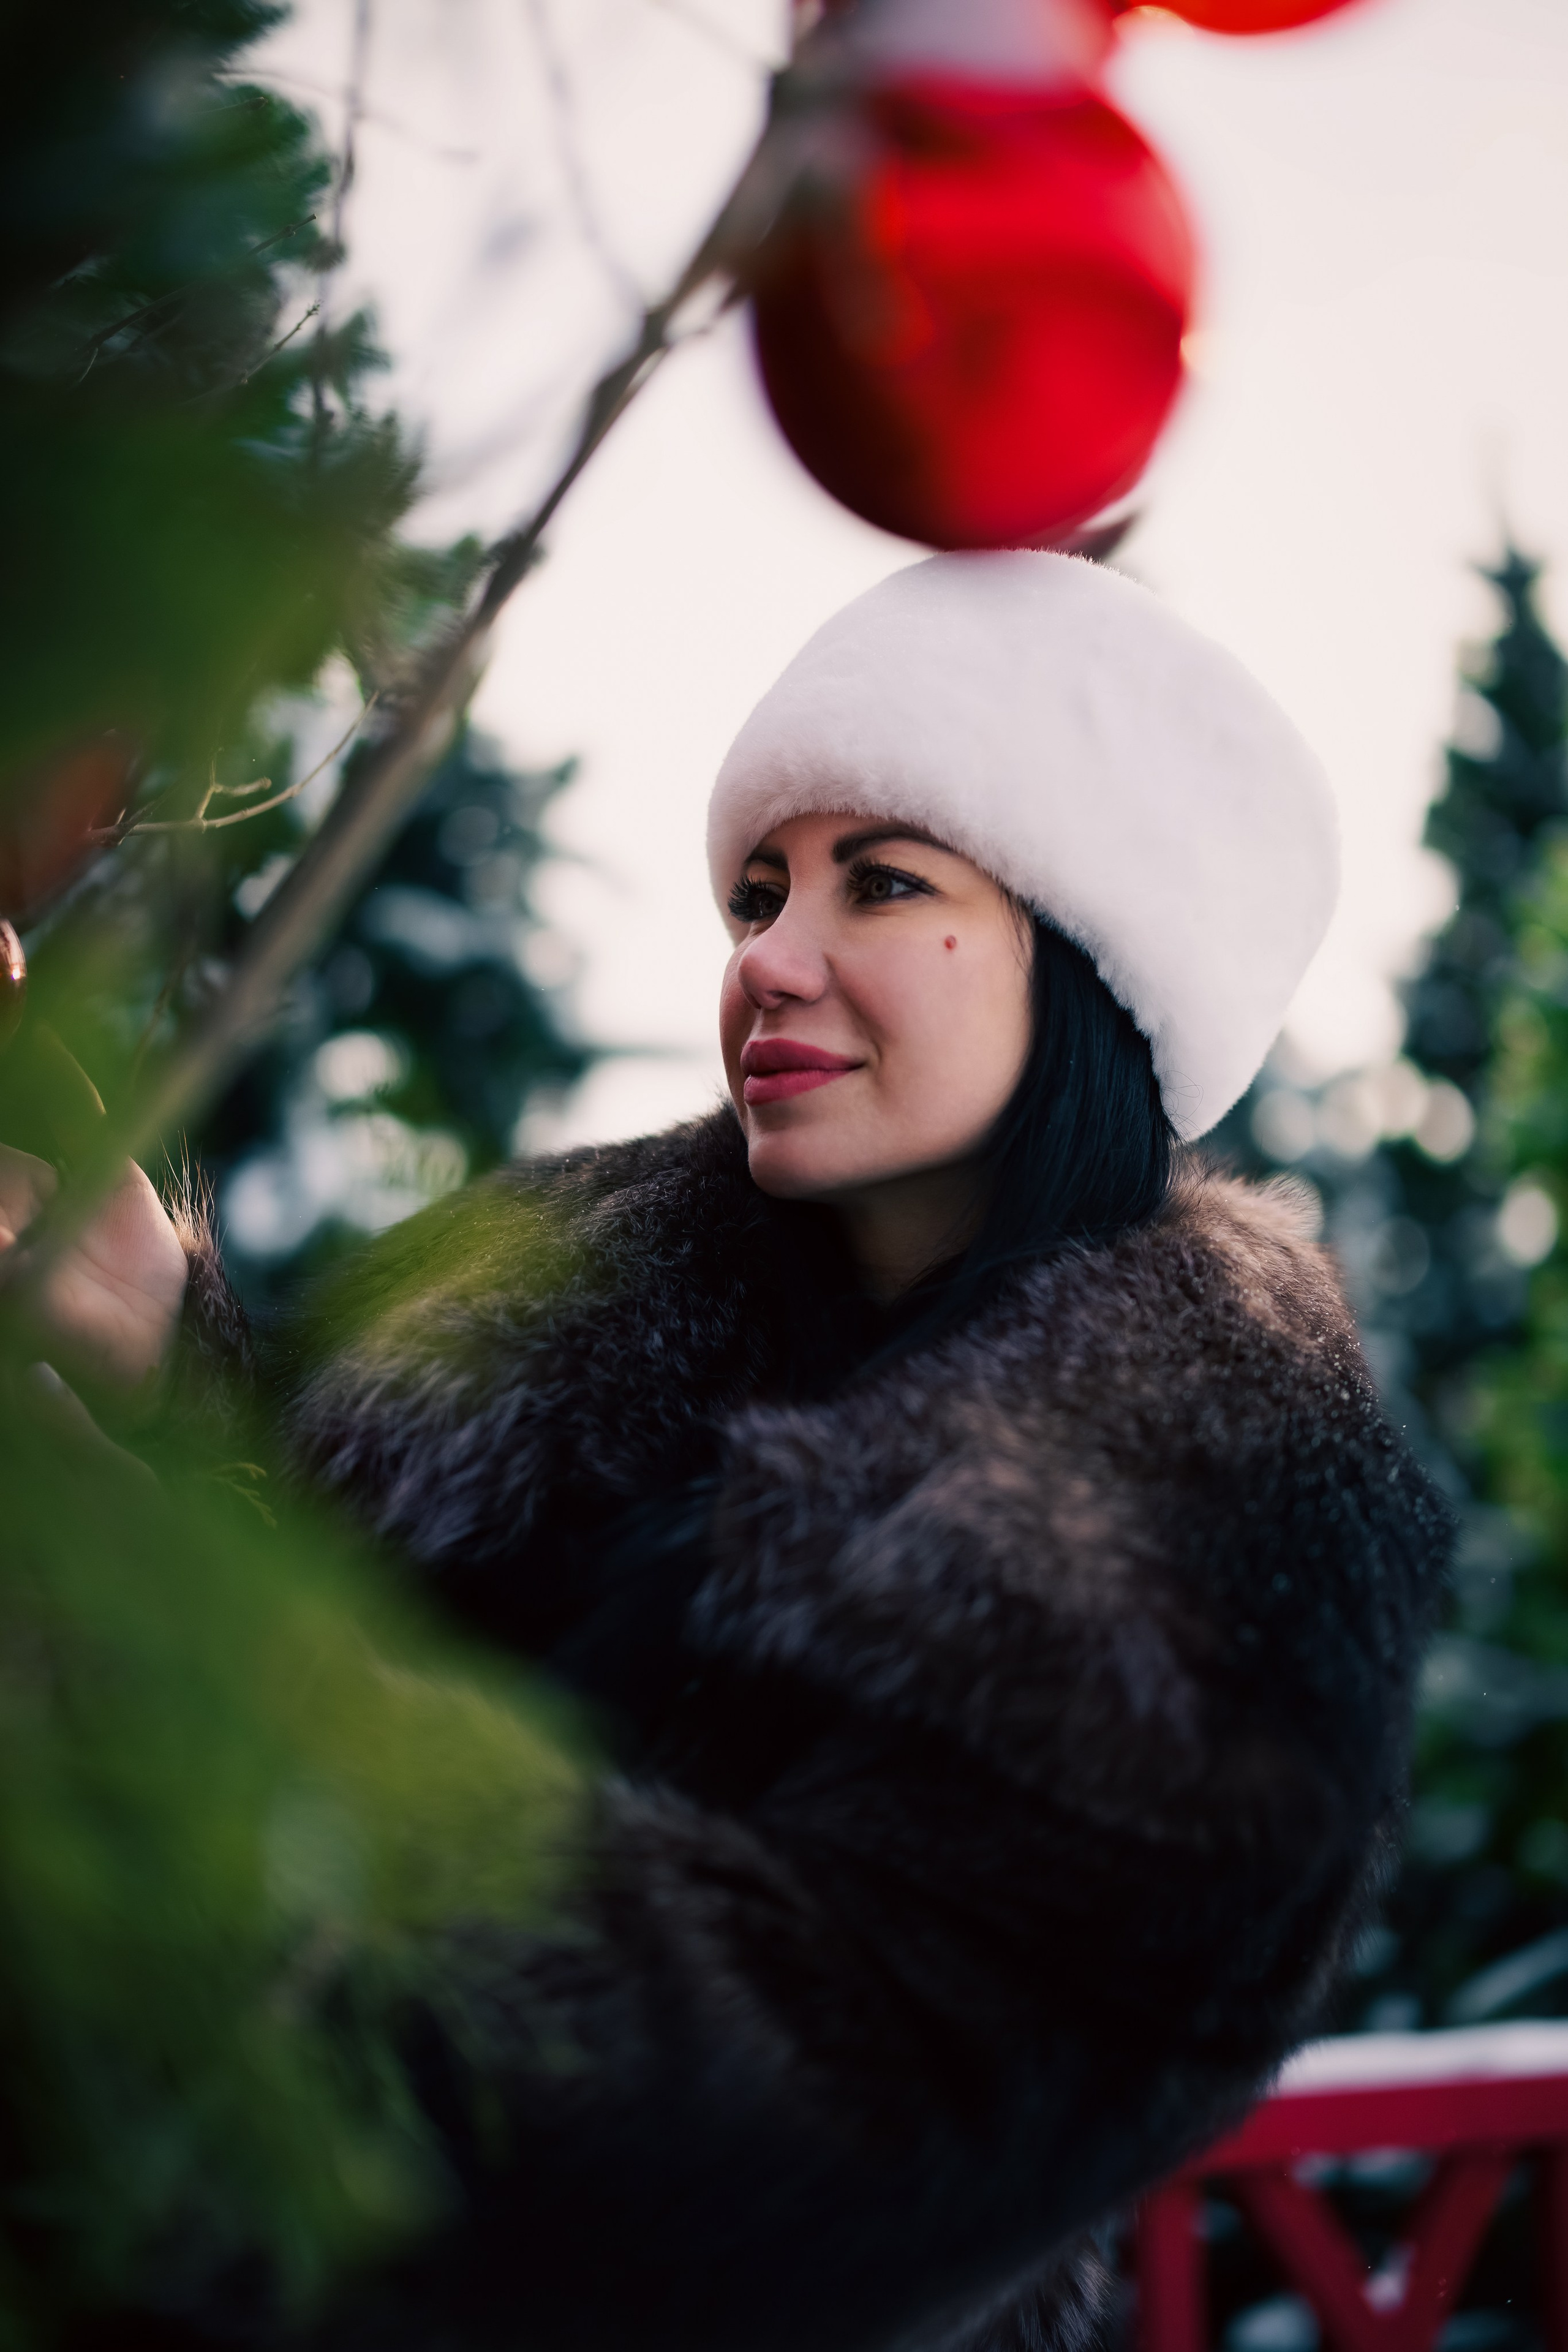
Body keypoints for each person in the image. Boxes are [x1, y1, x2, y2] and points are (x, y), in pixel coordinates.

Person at [0, 552, 1450, 2352]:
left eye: (884, 881)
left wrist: (179, 1654)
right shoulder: (586, 1301)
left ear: (1093, 960)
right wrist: (167, 1362)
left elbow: (813, 2129)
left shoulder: (1217, 1501)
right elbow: (358, 1587)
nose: (765, 953)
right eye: (760, 888)